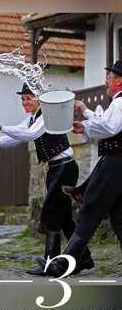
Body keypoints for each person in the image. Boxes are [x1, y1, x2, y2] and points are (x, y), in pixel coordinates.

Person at [0, 82, 94, 276]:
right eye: (22, 99)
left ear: (38, 98)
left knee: (51, 210)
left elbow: (31, 134)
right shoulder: (32, 118)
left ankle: (50, 262)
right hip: (55, 168)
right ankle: (83, 257)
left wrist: (2, 127)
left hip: (65, 167)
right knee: (63, 218)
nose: (24, 102)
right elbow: (19, 137)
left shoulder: (47, 114)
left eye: (28, 98)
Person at [45, 60, 122, 277]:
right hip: (115, 164)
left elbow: (109, 127)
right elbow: (106, 129)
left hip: (115, 165)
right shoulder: (117, 103)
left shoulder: (120, 103)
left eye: (110, 76)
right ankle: (73, 262)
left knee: (90, 210)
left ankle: (63, 264)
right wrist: (86, 126)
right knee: (119, 217)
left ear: (120, 81)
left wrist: (86, 113)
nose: (107, 80)